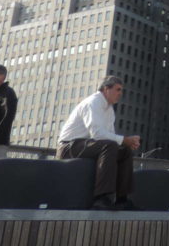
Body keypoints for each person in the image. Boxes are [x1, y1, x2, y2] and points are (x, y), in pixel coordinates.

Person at [57, 76, 140, 210]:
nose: (120, 93)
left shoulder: (109, 110)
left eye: (121, 91)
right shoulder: (93, 103)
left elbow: (109, 136)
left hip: (87, 144)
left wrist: (127, 143)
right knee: (109, 146)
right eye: (118, 90)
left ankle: (122, 200)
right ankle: (101, 198)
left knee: (124, 152)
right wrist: (124, 140)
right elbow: (98, 134)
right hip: (69, 146)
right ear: (106, 89)